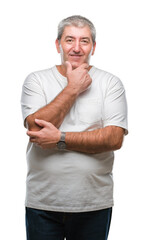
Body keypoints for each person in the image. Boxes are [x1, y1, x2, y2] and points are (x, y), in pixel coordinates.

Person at [21, 15, 128, 240]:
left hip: (93, 203)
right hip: (43, 203)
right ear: (58, 44)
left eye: (84, 41)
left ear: (94, 47)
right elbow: (36, 129)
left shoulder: (111, 83)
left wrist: (60, 137)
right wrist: (73, 88)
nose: (77, 48)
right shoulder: (36, 80)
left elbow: (114, 138)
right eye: (70, 40)